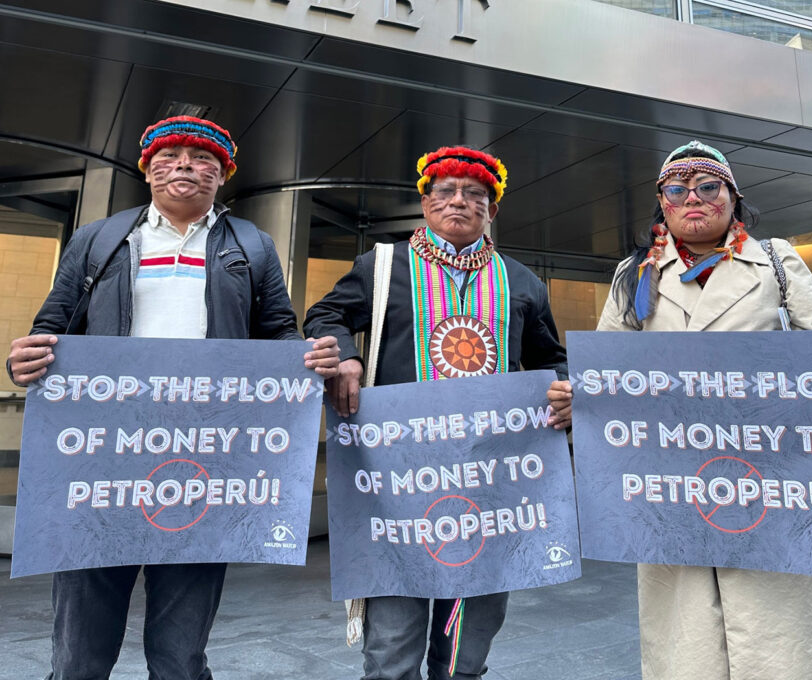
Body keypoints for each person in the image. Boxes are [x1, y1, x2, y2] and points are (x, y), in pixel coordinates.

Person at [548, 140, 812, 680]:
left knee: (789, 645)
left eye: (708, 187)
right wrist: (577, 400)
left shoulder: (778, 263)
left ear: (732, 197)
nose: (693, 198)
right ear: (661, 203)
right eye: (676, 189)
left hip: (777, 482)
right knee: (689, 645)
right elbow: (606, 375)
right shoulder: (634, 276)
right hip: (675, 486)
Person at [6, 115, 340, 680]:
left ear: (223, 174)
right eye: (170, 153)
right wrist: (24, 361)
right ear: (147, 168)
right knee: (78, 655)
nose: (185, 163)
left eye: (201, 156)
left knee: (181, 654)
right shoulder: (100, 238)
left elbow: (281, 334)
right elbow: (51, 327)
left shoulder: (253, 245)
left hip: (203, 459)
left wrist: (308, 359)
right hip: (101, 459)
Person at [304, 145, 568, 680]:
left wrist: (564, 393)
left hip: (490, 488)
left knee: (464, 655)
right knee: (391, 654)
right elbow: (325, 315)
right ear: (425, 205)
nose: (459, 202)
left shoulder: (520, 281)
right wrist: (345, 354)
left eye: (475, 195)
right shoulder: (379, 267)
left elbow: (551, 360)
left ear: (491, 211)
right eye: (445, 192)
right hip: (396, 487)